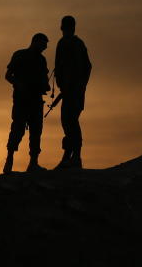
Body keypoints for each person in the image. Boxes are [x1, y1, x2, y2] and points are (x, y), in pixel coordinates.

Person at [3, 32, 51, 174]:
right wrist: (19, 85)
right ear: (36, 42)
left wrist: (45, 86)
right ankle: (9, 160)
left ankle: (33, 163)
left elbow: (44, 80)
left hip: (36, 101)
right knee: (17, 130)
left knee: (36, 132)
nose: (45, 47)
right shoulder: (19, 55)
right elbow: (8, 76)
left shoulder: (42, 60)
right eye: (43, 44)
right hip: (21, 100)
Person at [54, 15, 92, 169]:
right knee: (67, 122)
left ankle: (75, 158)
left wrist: (79, 86)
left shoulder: (76, 44)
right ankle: (68, 157)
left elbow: (87, 67)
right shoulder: (63, 43)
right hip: (68, 91)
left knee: (71, 123)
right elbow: (60, 68)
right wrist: (63, 86)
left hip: (74, 91)